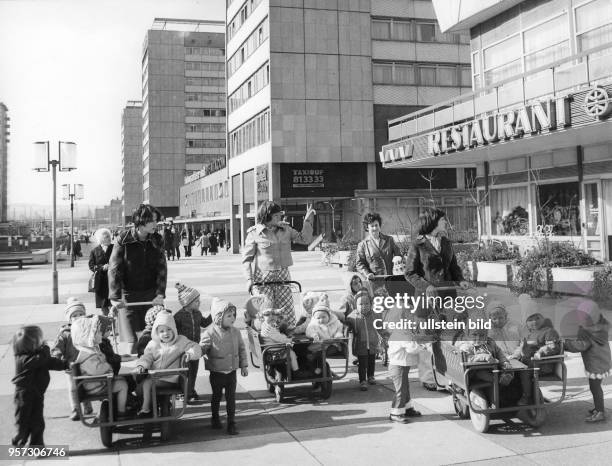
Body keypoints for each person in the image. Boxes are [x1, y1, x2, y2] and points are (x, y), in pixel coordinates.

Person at [405, 208, 470, 391]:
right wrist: (427, 286)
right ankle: (428, 378)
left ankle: (449, 376)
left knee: (449, 337)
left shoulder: (446, 242)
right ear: (433, 222)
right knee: (428, 338)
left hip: (448, 296)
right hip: (427, 298)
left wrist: (461, 280)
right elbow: (409, 273)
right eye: (442, 220)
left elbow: (454, 267)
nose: (445, 223)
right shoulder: (417, 244)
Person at [242, 201, 316, 329]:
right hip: (262, 279)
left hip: (283, 276)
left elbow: (305, 239)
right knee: (266, 312)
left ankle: (288, 339)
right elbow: (247, 260)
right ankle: (267, 339)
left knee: (286, 312)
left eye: (279, 215)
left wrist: (308, 219)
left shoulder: (285, 229)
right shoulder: (254, 233)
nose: (279, 218)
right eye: (276, 215)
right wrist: (249, 280)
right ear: (266, 216)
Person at [108, 204, 167, 353]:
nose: (156, 224)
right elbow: (114, 268)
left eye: (156, 220)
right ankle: (135, 373)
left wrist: (160, 294)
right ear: (141, 221)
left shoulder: (157, 239)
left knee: (152, 339)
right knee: (132, 341)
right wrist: (115, 297)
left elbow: (162, 268)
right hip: (128, 296)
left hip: (151, 295)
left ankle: (148, 373)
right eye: (152, 220)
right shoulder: (124, 239)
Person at [133, 312, 202, 417]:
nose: (166, 333)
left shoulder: (181, 341)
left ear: (174, 329)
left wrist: (190, 354)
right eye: (161, 331)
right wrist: (142, 365)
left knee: (147, 384)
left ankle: (145, 409)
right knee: (138, 386)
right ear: (156, 332)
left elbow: (196, 347)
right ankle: (147, 406)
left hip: (171, 378)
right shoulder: (153, 344)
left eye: (169, 329)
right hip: (155, 377)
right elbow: (147, 357)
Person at [200, 298, 248, 435]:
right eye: (229, 315)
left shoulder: (236, 332)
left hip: (231, 371)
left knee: (231, 398)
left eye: (234, 315)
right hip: (217, 371)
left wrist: (244, 366)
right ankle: (215, 418)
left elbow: (242, 349)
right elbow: (203, 347)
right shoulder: (209, 332)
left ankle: (231, 422)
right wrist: (197, 351)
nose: (233, 318)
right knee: (216, 396)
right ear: (218, 317)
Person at [12, 325, 66, 447]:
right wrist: (46, 348)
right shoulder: (22, 359)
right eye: (40, 340)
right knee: (23, 419)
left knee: (37, 422)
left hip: (36, 394)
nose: (43, 342)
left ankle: (36, 445)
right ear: (33, 343)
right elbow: (41, 359)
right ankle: (20, 436)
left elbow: (50, 362)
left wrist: (65, 364)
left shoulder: (38, 356)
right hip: (24, 395)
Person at [72, 316, 129, 419]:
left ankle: (118, 406)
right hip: (97, 386)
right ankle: (121, 411)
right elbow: (97, 370)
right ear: (89, 336)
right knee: (123, 385)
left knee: (123, 379)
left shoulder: (90, 351)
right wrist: (108, 365)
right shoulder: (88, 355)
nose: (100, 334)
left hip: (97, 383)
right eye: (98, 332)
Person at [563, 300, 611, 423]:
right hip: (602, 360)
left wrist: (566, 344)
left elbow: (582, 345)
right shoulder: (598, 327)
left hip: (595, 363)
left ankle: (600, 412)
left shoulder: (587, 330)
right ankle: (598, 408)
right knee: (595, 386)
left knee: (595, 387)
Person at [51, 298, 92, 421]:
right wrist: (56, 356)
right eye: (74, 315)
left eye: (81, 314)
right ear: (69, 318)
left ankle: (87, 405)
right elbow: (57, 347)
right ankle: (76, 409)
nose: (78, 317)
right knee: (73, 388)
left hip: (87, 363)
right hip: (71, 366)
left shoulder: (88, 328)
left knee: (86, 386)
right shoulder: (65, 333)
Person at [173, 282, 212, 402]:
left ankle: (190, 390)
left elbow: (204, 323)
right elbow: (173, 332)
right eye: (196, 301)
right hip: (183, 349)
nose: (199, 303)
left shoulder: (197, 313)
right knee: (185, 371)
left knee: (194, 370)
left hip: (195, 347)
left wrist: (213, 314)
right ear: (187, 303)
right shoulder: (178, 316)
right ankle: (183, 392)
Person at [515, 311, 561, 406]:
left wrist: (540, 352)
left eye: (537, 318)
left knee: (524, 371)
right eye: (530, 320)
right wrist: (515, 355)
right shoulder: (529, 334)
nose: (534, 322)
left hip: (543, 364)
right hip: (530, 362)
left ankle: (526, 396)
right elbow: (522, 347)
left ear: (543, 319)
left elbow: (552, 346)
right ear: (526, 323)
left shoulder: (549, 331)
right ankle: (516, 394)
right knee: (512, 369)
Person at [386, 307, 422, 423]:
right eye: (410, 317)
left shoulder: (402, 331)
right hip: (398, 366)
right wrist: (423, 346)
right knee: (400, 390)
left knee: (405, 388)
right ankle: (395, 413)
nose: (412, 319)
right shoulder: (401, 333)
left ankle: (407, 408)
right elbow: (412, 348)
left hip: (401, 366)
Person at [345, 288, 379, 391]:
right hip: (360, 344)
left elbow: (380, 327)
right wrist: (346, 328)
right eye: (361, 304)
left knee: (372, 362)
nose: (364, 306)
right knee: (362, 364)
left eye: (367, 303)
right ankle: (362, 380)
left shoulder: (374, 315)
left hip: (372, 343)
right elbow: (347, 326)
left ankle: (371, 376)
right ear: (356, 305)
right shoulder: (352, 317)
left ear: (371, 304)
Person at [356, 212, 402, 279]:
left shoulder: (389, 240)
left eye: (376, 225)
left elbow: (399, 255)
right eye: (372, 226)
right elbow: (359, 264)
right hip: (375, 281)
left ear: (379, 226)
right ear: (367, 228)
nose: (375, 228)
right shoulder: (362, 245)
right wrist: (367, 274)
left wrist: (398, 261)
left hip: (391, 280)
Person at [260, 308, 301, 374]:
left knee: (290, 348)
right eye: (267, 314)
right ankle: (296, 371)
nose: (271, 316)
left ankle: (289, 370)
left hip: (271, 349)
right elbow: (281, 339)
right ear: (262, 317)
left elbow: (278, 335)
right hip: (275, 352)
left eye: (273, 314)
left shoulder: (265, 325)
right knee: (292, 353)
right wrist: (290, 339)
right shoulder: (269, 329)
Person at [88, 228, 114, 316]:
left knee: (114, 304)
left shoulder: (115, 248)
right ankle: (107, 324)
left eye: (109, 236)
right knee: (103, 306)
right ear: (101, 239)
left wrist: (111, 266)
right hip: (100, 282)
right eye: (107, 237)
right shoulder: (94, 251)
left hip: (113, 280)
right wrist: (102, 267)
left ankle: (115, 324)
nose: (109, 238)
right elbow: (91, 266)